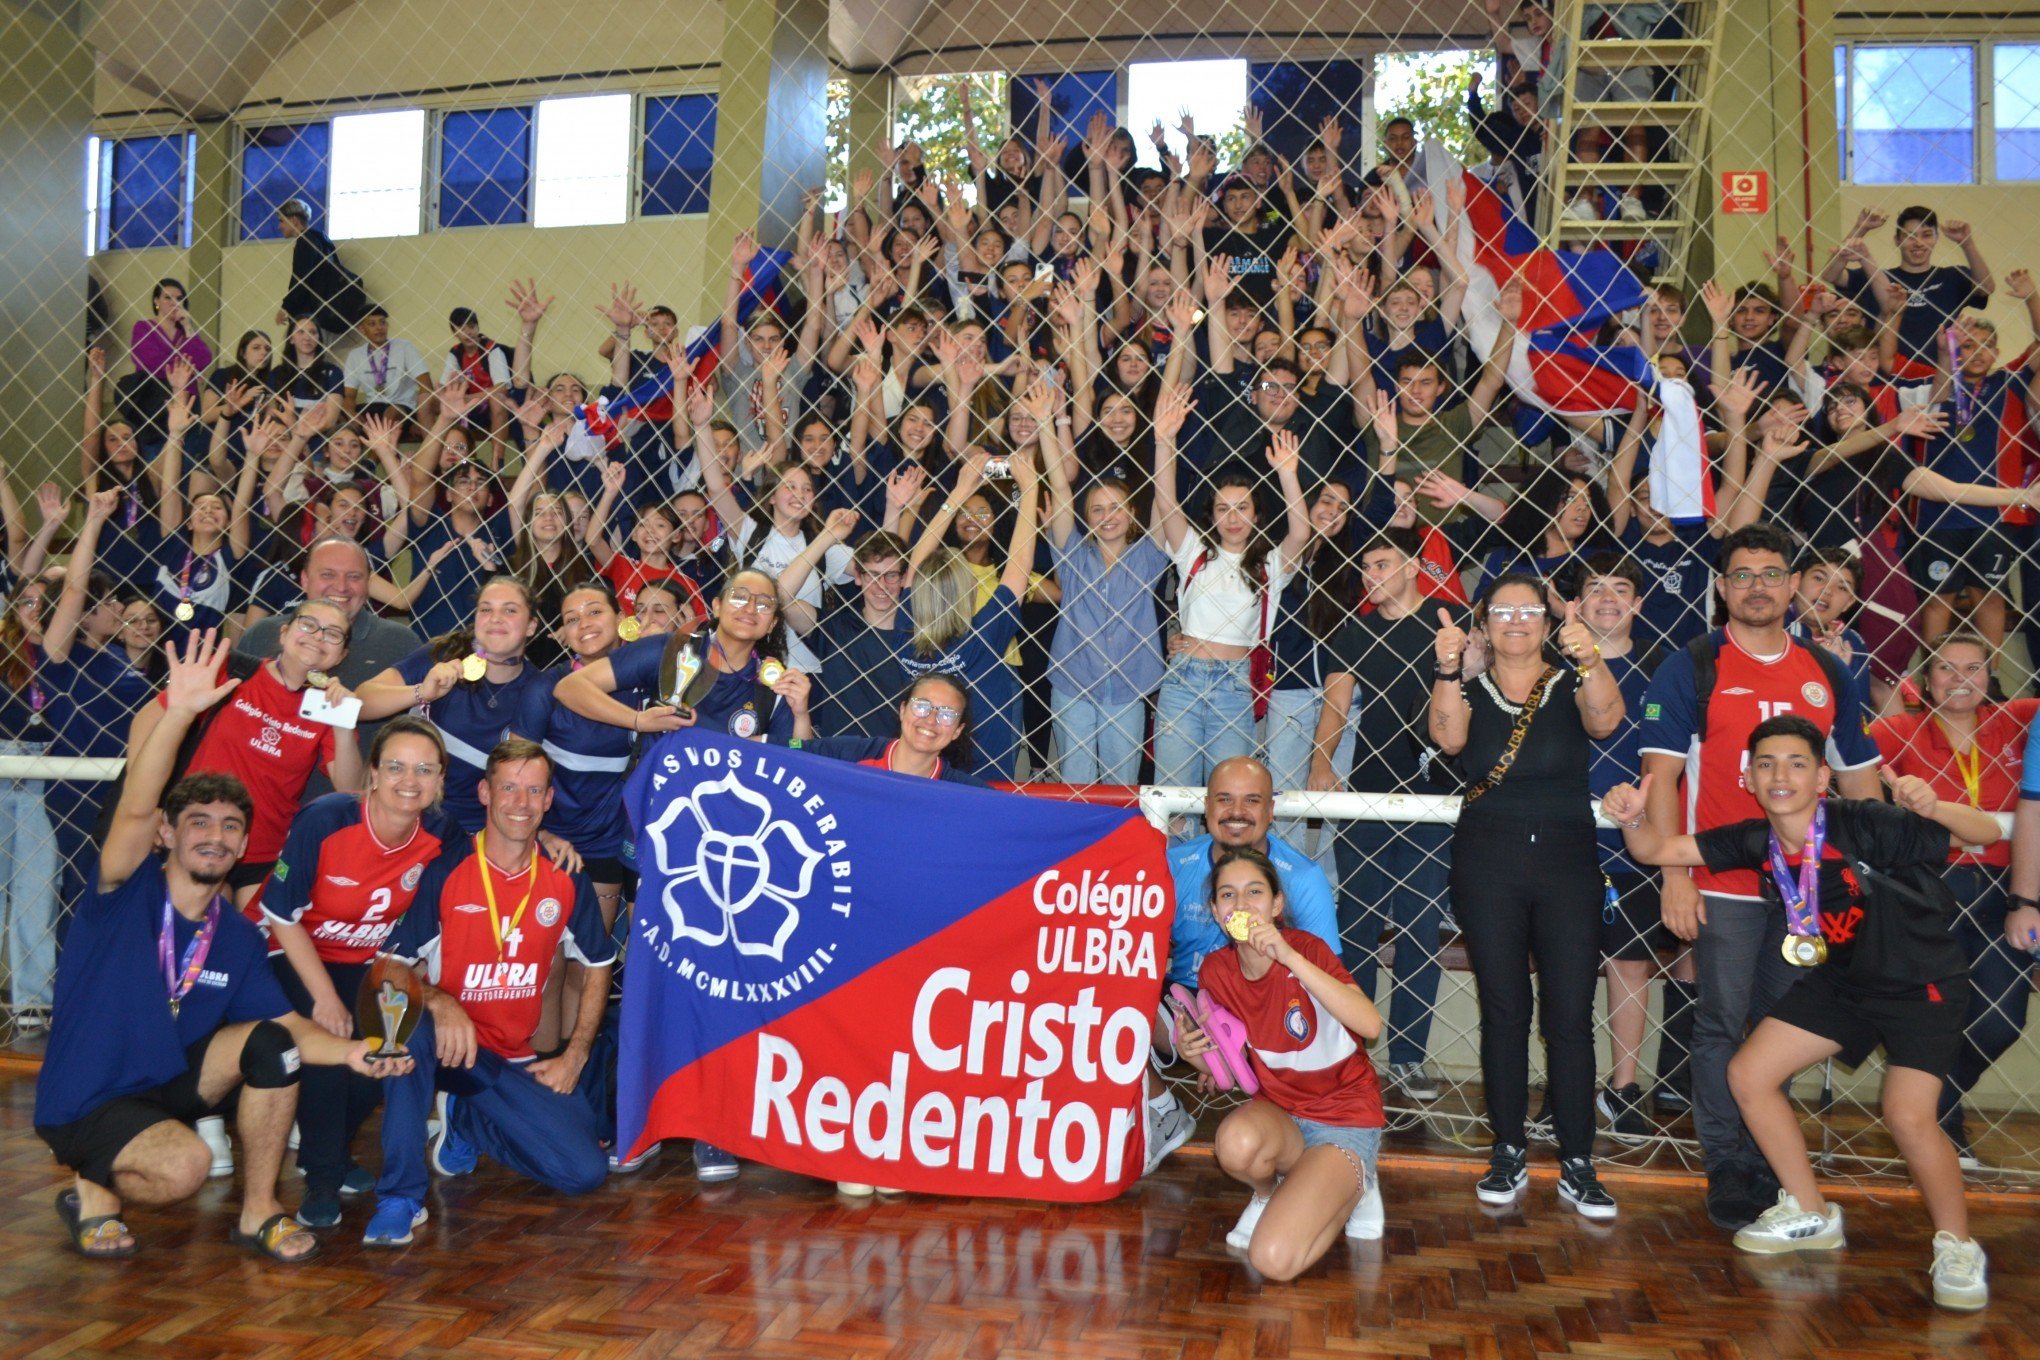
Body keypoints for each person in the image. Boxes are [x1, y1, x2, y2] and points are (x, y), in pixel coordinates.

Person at [1602, 717, 1998, 1310]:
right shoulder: (1754, 838)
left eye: (1795, 763)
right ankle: (1812, 1212)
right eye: (1765, 764)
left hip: (1922, 983)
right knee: (1749, 1073)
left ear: (1822, 777)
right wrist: (1631, 814)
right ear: (1748, 778)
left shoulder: (1867, 823)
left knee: (1908, 1116)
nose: (1779, 774)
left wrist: (1935, 804)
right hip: (1844, 981)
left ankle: (1959, 1245)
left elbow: (1985, 831)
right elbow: (1658, 849)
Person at [33, 631, 403, 1263]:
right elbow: (133, 807)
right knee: (187, 1168)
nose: (216, 836)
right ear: (167, 833)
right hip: (87, 1097)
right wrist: (179, 712)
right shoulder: (123, 888)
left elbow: (287, 1023)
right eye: (198, 822)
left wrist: (354, 1053)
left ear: (243, 845)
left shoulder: (231, 932)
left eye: (231, 827)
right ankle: (91, 1183)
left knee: (275, 1045)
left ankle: (260, 1211)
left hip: (167, 1080)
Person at [1636, 523, 1883, 1231]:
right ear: (1722, 588)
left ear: (1794, 585)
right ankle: (1729, 1167)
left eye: (1771, 573)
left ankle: (1763, 1152)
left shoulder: (1827, 671)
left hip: (1808, 891)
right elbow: (1662, 776)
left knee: (1783, 1025)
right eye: (1742, 575)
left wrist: (1873, 875)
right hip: (1722, 882)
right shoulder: (1694, 663)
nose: (1757, 587)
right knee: (1719, 1023)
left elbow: (1861, 781)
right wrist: (1674, 873)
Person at [552, 569, 815, 1183]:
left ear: (774, 621)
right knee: (650, 982)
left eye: (764, 603)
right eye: (740, 597)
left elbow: (794, 772)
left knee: (719, 987)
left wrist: (800, 716)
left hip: (736, 865)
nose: (750, 608)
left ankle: (712, 1127)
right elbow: (571, 690)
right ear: (717, 605)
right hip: (663, 851)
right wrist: (639, 722)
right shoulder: (673, 652)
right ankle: (638, 1122)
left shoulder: (773, 684)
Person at [361, 738, 617, 1247]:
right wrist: (438, 1001)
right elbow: (386, 967)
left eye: (534, 791)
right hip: (444, 1043)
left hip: (505, 1060)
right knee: (400, 1023)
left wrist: (575, 1055)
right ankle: (400, 1197)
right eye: (508, 789)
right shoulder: (447, 867)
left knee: (583, 1171)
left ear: (548, 801)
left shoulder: (564, 877)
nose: (520, 804)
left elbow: (599, 965)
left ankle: (466, 1121)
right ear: (484, 792)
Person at [1429, 575, 1625, 1217]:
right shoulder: (1468, 684)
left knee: (1570, 1017)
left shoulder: (1572, 679)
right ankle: (1507, 1149)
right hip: (1488, 861)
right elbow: (1450, 740)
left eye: (1530, 611)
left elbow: (1607, 721)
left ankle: (1579, 1160)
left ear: (1549, 619)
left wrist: (1588, 653)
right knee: (1505, 1011)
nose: (1517, 621)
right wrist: (1447, 666)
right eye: (1503, 611)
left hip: (1569, 863)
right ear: (1484, 622)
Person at [258, 716, 458, 1227]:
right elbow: (281, 915)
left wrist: (548, 841)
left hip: (375, 965)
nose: (408, 780)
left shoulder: (441, 832)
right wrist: (323, 997)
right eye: (394, 766)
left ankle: (334, 1153)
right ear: (371, 773)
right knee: (333, 1037)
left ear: (439, 781)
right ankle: (321, 1179)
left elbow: (486, 865)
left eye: (423, 769)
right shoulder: (326, 818)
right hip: (302, 954)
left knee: (393, 1046)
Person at [1177, 846, 1386, 1280]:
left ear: (1276, 904)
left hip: (1343, 1119)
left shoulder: (1308, 948)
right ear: (1216, 912)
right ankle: (1269, 1195)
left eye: (1254, 892)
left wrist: (1288, 957)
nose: (1242, 905)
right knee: (1233, 1143)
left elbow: (1370, 1025)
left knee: (1272, 1259)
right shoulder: (1216, 972)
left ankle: (1357, 1184)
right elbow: (1231, 1065)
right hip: (1282, 1116)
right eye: (1228, 895)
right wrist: (1193, 1054)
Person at [1309, 530, 1466, 1102]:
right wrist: (1321, 764)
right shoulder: (1353, 631)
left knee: (1421, 929)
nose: (1370, 576)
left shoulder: (1450, 620)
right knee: (1357, 926)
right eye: (1364, 567)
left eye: (1381, 564)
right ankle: (1352, 1049)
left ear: (1413, 567)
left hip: (1432, 796)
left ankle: (1407, 1057)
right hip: (1368, 799)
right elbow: (1335, 707)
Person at [1870, 632, 2039, 1165]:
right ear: (1925, 679)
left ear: (1991, 677)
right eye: (1946, 668)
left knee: (2000, 1020)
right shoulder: (1897, 729)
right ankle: (1941, 1126)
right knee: (1932, 1016)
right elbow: (1843, 776)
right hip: (1925, 891)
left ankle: (1935, 1105)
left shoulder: (2018, 720)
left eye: (1974, 667)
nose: (1960, 678)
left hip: (2003, 893)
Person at [127, 598, 363, 902]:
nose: (318, 636)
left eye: (332, 634)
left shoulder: (329, 706)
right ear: (284, 633)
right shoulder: (233, 673)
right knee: (185, 934)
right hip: (199, 838)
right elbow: (149, 718)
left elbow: (351, 787)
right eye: (308, 624)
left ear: (342, 654)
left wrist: (342, 724)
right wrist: (145, 803)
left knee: (247, 945)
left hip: (265, 853)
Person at [1574, 556, 1691, 1139]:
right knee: (1563, 964)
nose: (1608, 599)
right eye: (1595, 588)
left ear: (1639, 604)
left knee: (1629, 961)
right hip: (1563, 838)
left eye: (1621, 589)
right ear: (1575, 605)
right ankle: (1569, 1083)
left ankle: (1622, 1086)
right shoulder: (1550, 666)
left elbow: (1670, 766)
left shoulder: (1662, 670)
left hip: (1632, 840)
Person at [1150, 388, 1309, 790]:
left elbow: (1301, 532)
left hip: (1235, 686)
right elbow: (1167, 503)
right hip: (1182, 682)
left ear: (1257, 515)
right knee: (1173, 797)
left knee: (1228, 795)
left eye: (1243, 508)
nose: (1233, 517)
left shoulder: (1270, 565)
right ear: (1212, 515)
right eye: (1223, 508)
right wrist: (1163, 442)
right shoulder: (1194, 554)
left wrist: (1288, 474)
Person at [354, 578, 552, 836]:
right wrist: (422, 692)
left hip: (472, 833)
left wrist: (544, 834)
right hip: (407, 811)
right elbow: (359, 703)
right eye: (486, 609)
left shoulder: (538, 692)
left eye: (510, 610)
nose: (496, 618)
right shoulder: (445, 654)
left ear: (531, 626)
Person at [276, 200, 371, 341]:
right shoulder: (323, 241)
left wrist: (286, 307)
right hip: (326, 314)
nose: (279, 227)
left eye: (282, 221)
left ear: (294, 220)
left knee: (303, 355)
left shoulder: (305, 242)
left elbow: (301, 279)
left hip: (314, 315)